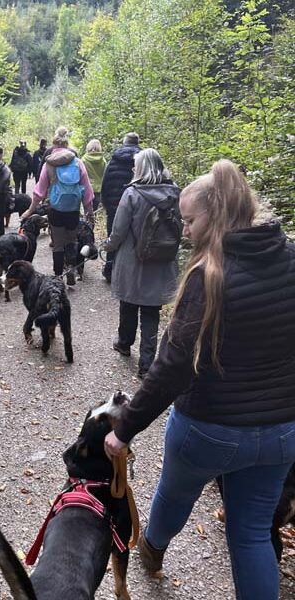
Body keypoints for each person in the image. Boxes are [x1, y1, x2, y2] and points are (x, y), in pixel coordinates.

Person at [104, 159, 295, 600]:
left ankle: (152, 549)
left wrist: (125, 428)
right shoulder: (289, 257)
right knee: (250, 534)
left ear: (217, 214)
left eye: (190, 220)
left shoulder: (208, 277)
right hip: (282, 433)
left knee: (174, 496)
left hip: (211, 430)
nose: (184, 231)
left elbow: (172, 367)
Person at [103, 148, 180, 378]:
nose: (133, 168)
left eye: (135, 165)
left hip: (132, 259)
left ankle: (124, 343)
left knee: (128, 303)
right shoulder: (175, 193)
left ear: (142, 167)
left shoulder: (132, 194)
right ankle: (147, 365)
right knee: (151, 311)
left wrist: (108, 247)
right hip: (162, 259)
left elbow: (118, 231)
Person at [21, 126, 94, 285]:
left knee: (58, 245)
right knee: (71, 241)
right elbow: (87, 190)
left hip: (55, 209)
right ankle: (70, 269)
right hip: (73, 210)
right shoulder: (78, 162)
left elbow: (39, 192)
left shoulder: (49, 165)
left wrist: (30, 211)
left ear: (54, 147)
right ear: (67, 146)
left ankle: (58, 277)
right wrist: (89, 211)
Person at [100, 132, 141, 282]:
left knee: (113, 236)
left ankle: (110, 269)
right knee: (134, 239)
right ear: (137, 142)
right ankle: (130, 275)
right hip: (137, 207)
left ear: (125, 142)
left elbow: (105, 182)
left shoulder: (114, 159)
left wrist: (105, 203)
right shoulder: (143, 159)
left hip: (114, 206)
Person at [81, 138, 107, 213]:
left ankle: (87, 224)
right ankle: (92, 224)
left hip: (86, 188)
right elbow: (104, 175)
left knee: (87, 211)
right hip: (98, 189)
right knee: (94, 211)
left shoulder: (84, 160)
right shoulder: (103, 160)